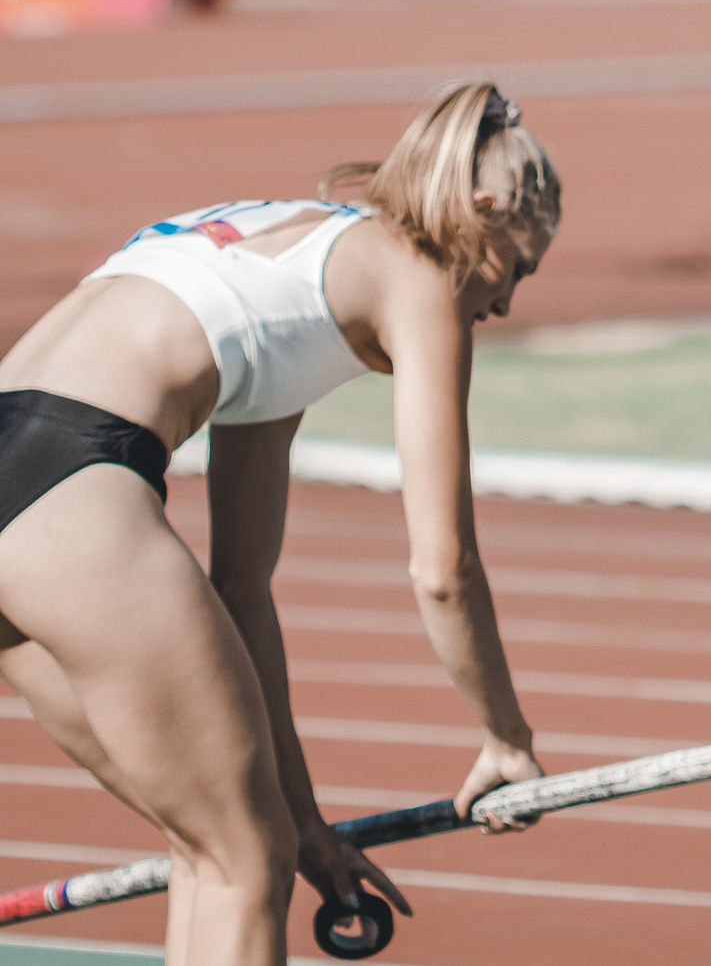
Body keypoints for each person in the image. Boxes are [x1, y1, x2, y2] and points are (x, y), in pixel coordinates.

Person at [0, 83, 558, 964]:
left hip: (24, 470)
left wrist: (300, 819)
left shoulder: (292, 268)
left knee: (214, 840)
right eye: (518, 266)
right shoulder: (424, 275)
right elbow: (443, 568)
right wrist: (508, 738)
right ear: (481, 215)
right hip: (74, 483)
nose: (507, 303)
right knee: (239, 858)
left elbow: (242, 586)